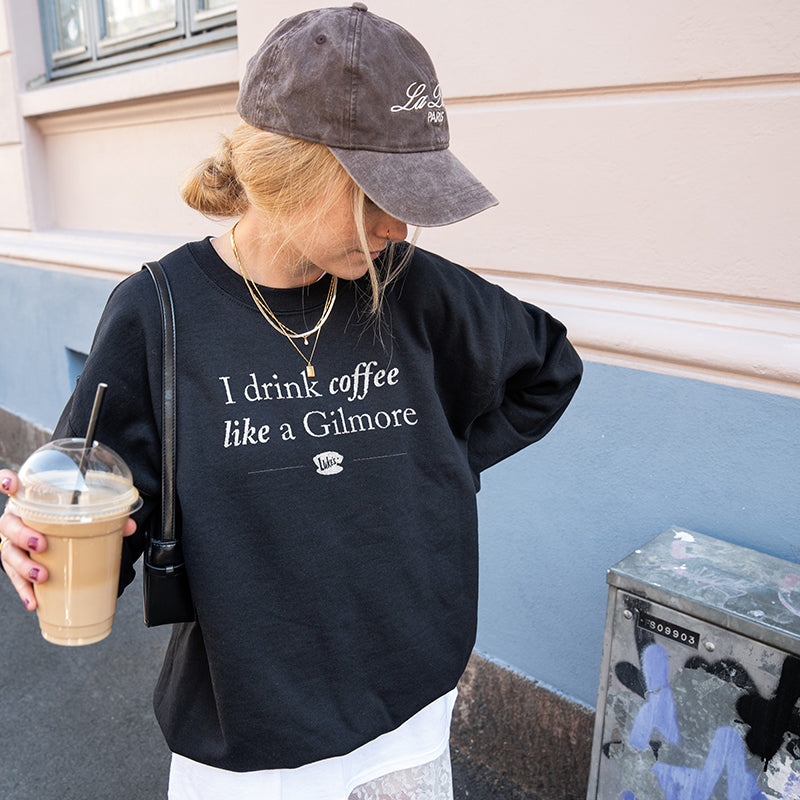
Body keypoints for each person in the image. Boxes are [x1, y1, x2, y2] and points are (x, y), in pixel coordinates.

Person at [0, 5, 583, 799]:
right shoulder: (160, 312)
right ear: (290, 172)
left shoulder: (412, 289)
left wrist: (435, 466)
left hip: (408, 719)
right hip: (250, 743)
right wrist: (37, 537)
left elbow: (546, 367)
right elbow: (91, 496)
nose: (397, 225)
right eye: (375, 195)